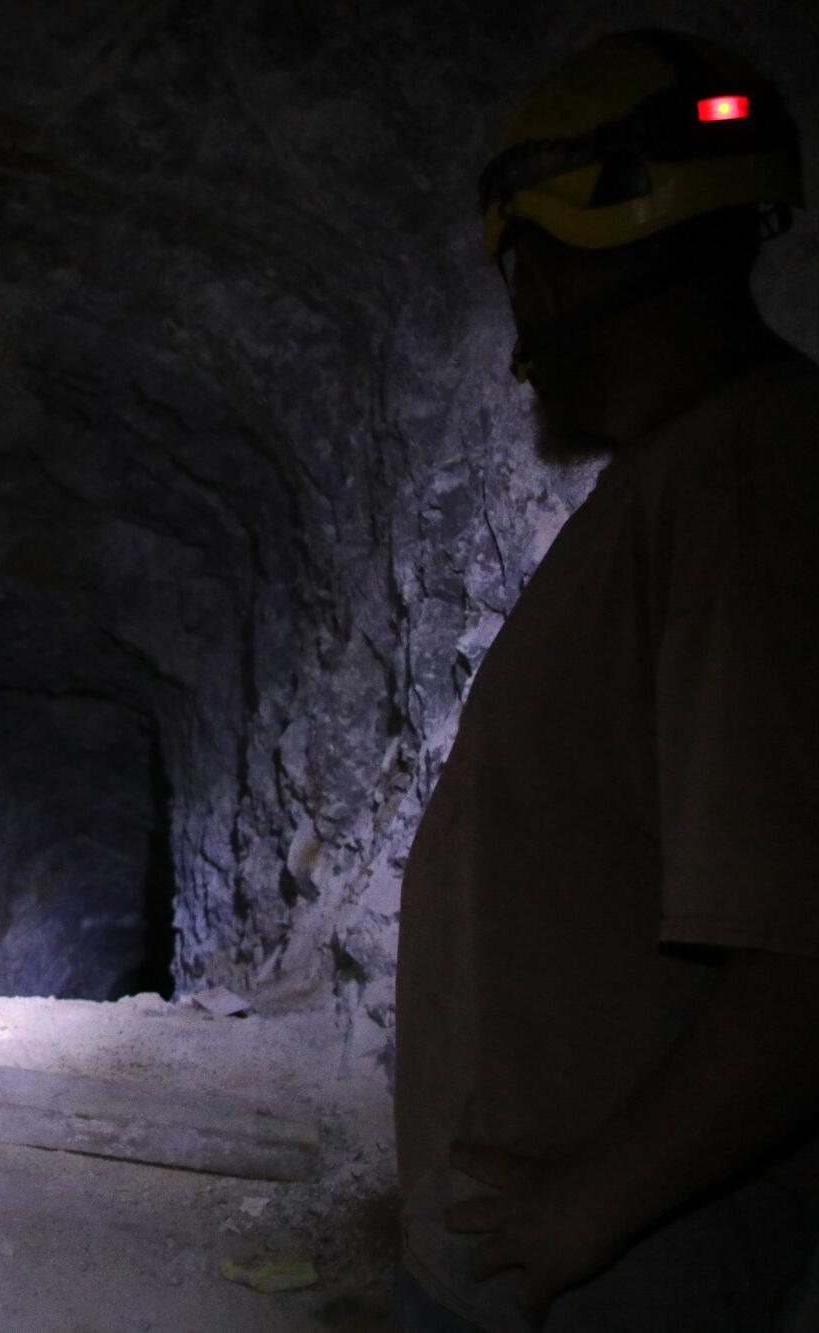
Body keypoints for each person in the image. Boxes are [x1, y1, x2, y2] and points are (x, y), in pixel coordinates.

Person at [393, 28, 819, 1332]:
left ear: (556, 265)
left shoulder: (751, 480)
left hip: (623, 1288)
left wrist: (583, 1214)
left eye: (523, 259)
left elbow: (803, 956)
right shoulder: (675, 480)